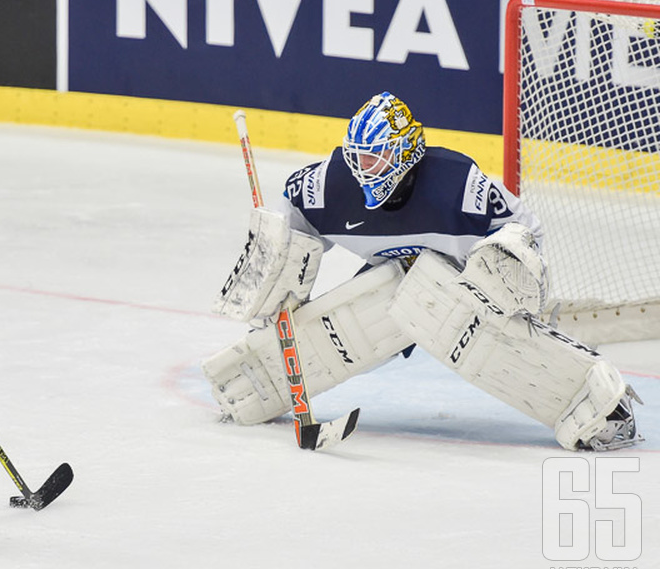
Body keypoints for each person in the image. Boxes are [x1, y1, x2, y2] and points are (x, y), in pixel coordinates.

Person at [203, 91, 642, 451]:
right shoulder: (329, 186)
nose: (362, 170)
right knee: (375, 307)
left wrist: (506, 279)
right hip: (392, 285)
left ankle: (598, 410)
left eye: (375, 159)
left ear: (407, 152)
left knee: (448, 311)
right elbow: (292, 222)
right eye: (358, 157)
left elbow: (524, 230)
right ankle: (248, 384)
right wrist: (277, 269)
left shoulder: (458, 187)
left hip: (464, 286)